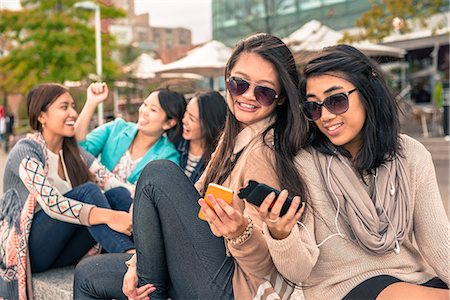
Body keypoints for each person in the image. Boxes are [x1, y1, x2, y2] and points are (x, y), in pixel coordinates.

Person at [73, 32, 310, 299]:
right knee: (88, 275)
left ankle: (152, 292)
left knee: (157, 174)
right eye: (239, 83)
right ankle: (150, 286)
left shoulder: (265, 151)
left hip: (233, 285)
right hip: (201, 264)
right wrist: (137, 262)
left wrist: (240, 232)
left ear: (280, 98)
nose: (248, 96)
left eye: (264, 91)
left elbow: (265, 265)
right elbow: (194, 195)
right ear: (228, 81)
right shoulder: (232, 139)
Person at [261, 45, 449, 300]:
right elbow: (298, 271)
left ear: (368, 94)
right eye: (314, 108)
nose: (325, 116)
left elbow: (437, 242)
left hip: (413, 281)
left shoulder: (411, 154)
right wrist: (281, 235)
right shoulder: (305, 165)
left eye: (336, 100)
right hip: (344, 288)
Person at [0, 83, 136, 300]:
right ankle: (131, 258)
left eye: (73, 106)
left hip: (62, 250)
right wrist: (111, 216)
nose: (73, 113)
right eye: (64, 107)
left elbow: (113, 183)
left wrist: (147, 196)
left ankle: (147, 254)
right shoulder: (25, 152)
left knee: (117, 195)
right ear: (42, 116)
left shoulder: (75, 154)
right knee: (89, 192)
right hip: (30, 252)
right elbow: (52, 203)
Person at [75, 83, 186, 184]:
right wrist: (91, 102)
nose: (144, 111)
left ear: (169, 123)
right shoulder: (117, 128)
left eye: (153, 110)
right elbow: (78, 149)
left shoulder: (168, 158)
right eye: (145, 104)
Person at [178, 90, 226, 183]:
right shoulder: (175, 146)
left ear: (208, 124)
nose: (184, 120)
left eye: (192, 119)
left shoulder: (217, 161)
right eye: (186, 112)